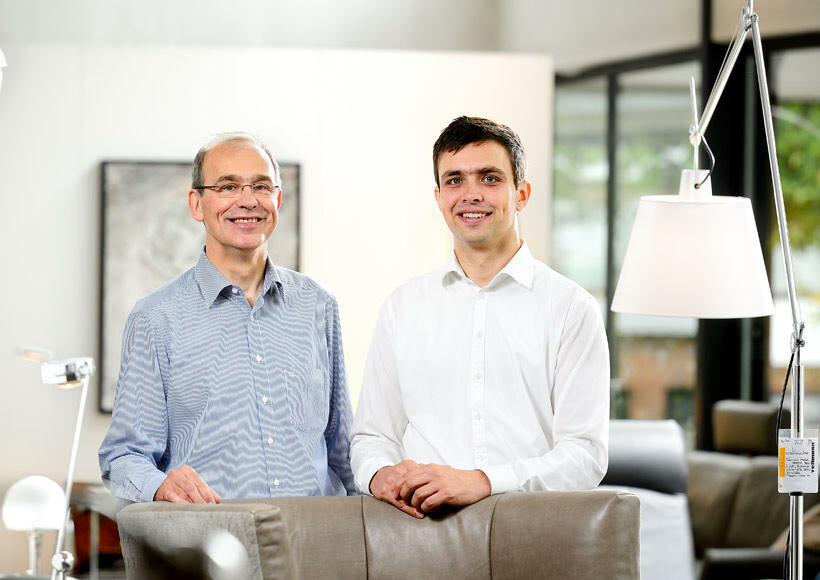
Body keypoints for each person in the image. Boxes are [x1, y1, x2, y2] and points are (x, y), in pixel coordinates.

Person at [350, 116, 609, 518]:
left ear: (521, 194)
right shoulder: (403, 306)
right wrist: (379, 475)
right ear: (439, 198)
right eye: (454, 180)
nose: (471, 195)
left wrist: (484, 481)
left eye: (489, 178)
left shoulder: (571, 308)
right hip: (420, 533)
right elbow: (371, 436)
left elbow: (585, 455)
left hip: (532, 531)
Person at [99, 132, 354, 503]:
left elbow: (342, 450)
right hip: (212, 536)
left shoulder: (318, 305)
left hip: (316, 534)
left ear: (278, 199)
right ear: (197, 204)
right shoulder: (155, 318)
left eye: (261, 186)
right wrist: (160, 486)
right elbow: (123, 456)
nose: (247, 200)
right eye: (228, 186)